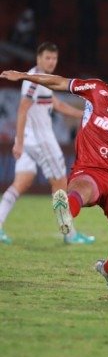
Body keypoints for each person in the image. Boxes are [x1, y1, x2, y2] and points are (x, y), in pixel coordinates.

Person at [0, 67, 108, 292]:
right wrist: (25, 76)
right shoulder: (96, 90)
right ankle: (65, 210)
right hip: (90, 170)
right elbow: (59, 82)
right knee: (82, 190)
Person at [0, 42, 94, 245]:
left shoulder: (41, 79)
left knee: (21, 182)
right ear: (38, 59)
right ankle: (69, 234)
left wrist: (82, 114)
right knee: (60, 184)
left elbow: (57, 104)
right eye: (47, 58)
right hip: (40, 141)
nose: (51, 62)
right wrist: (18, 142)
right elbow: (22, 109)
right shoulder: (34, 82)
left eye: (54, 58)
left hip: (29, 141)